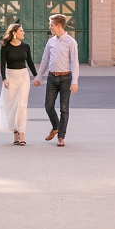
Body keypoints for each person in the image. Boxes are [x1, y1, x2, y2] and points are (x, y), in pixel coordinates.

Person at [33, 14, 78, 147]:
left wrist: (74, 81)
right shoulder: (50, 42)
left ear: (59, 25)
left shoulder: (71, 42)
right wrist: (38, 77)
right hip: (52, 78)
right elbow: (45, 60)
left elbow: (75, 63)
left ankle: (61, 137)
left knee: (64, 108)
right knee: (48, 106)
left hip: (66, 78)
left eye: (51, 25)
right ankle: (56, 126)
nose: (50, 27)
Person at [0, 23, 37, 146]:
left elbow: (29, 62)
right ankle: (15, 132)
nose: (23, 32)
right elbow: (2, 64)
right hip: (11, 76)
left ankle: (22, 133)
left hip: (23, 77)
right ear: (14, 33)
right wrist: (4, 79)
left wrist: (37, 76)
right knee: (11, 106)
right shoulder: (6, 47)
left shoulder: (26, 46)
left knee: (21, 105)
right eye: (21, 31)